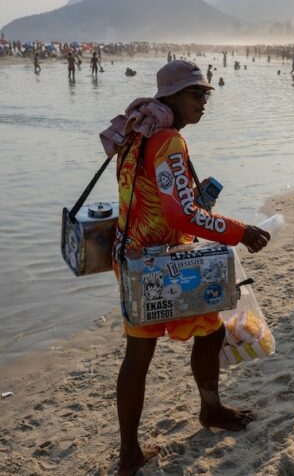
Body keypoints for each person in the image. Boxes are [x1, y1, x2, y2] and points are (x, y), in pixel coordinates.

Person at [112, 60, 270, 475]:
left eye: (206, 94)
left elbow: (152, 198)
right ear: (172, 98)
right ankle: (209, 411)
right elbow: (183, 216)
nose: (203, 101)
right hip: (162, 265)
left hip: (132, 258)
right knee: (198, 334)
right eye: (195, 94)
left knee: (162, 346)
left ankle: (131, 452)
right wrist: (241, 231)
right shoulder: (168, 142)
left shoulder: (135, 135)